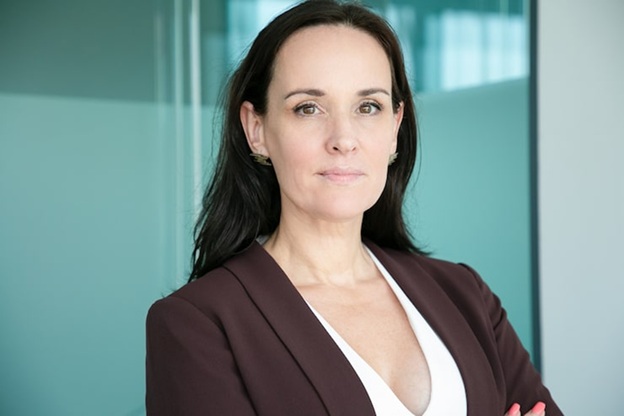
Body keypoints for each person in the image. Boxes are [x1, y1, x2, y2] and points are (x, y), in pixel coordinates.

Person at [146, 1, 563, 415]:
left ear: (395, 127)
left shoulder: (464, 295)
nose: (344, 139)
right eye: (308, 108)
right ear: (257, 130)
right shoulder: (199, 324)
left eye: (368, 107)